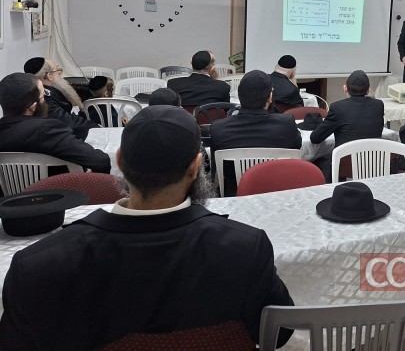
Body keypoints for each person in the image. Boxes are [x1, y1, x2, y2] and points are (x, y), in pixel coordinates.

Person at [0, 105, 294, 350]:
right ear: (195, 166)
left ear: (119, 161)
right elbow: (280, 333)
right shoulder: (245, 247)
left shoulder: (36, 265)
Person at [0, 73, 111, 180]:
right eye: (43, 96)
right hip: (58, 190)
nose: (46, 101)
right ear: (33, 106)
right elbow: (100, 161)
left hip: (10, 193)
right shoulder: (46, 129)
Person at [210, 70, 301, 196]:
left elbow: (215, 171)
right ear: (270, 97)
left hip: (234, 198)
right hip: (278, 195)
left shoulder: (219, 128)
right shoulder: (286, 125)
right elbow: (296, 149)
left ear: (239, 96)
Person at [309, 70, 385, 181]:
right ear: (368, 89)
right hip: (372, 164)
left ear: (345, 88)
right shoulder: (378, 105)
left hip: (345, 168)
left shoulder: (338, 108)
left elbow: (315, 138)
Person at [24, 57, 97, 140]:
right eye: (57, 70)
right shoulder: (45, 100)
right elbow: (67, 121)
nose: (60, 73)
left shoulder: (51, 90)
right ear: (49, 76)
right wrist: (95, 126)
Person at [166, 50, 230, 107]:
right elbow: (227, 110)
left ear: (191, 63)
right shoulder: (223, 87)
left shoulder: (173, 84)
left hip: (182, 117)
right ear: (212, 68)